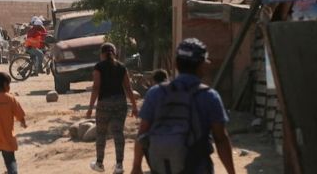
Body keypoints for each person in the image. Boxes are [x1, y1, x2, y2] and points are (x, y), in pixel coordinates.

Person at [131, 38, 236, 174]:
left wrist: (136, 166)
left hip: (162, 167)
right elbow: (220, 138)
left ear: (175, 64)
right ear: (202, 65)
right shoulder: (209, 96)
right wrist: (231, 172)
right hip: (198, 168)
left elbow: (142, 134)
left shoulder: (155, 93)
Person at [86, 43, 139, 174]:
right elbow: (128, 88)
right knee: (118, 133)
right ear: (114, 53)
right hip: (120, 104)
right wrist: (134, 106)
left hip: (104, 104)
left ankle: (99, 163)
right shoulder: (121, 67)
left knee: (101, 133)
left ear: (102, 54)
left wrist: (90, 107)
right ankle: (119, 165)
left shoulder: (99, 67)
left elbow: (96, 88)